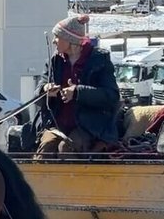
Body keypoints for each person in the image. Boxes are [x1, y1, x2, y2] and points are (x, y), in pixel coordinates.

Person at [36, 14, 120, 155]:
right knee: (45, 149)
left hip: (90, 125)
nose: (54, 41)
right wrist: (45, 89)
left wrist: (77, 92)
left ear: (70, 40)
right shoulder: (54, 61)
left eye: (57, 37)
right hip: (56, 123)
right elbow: (40, 88)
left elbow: (112, 96)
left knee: (66, 149)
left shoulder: (99, 60)